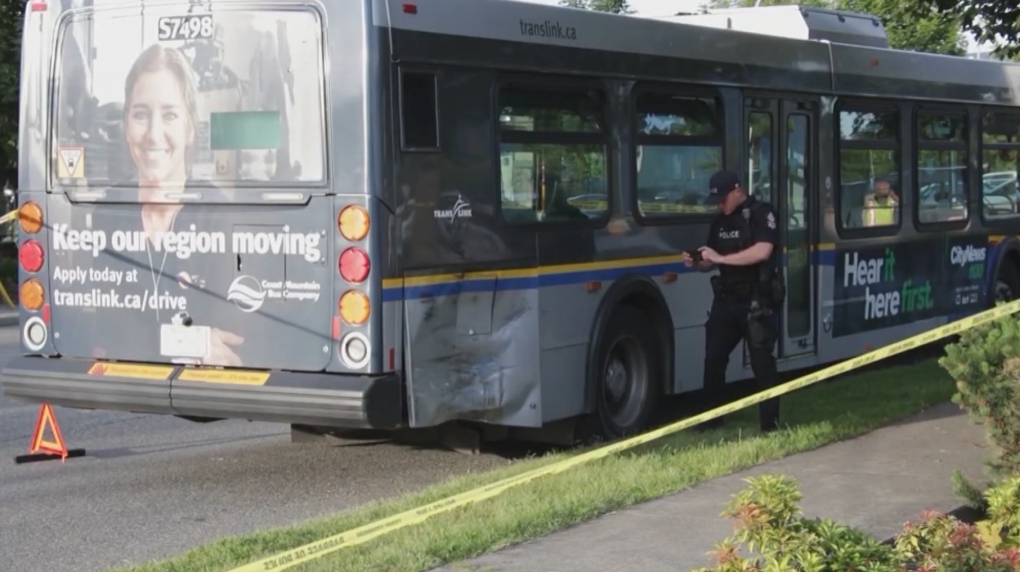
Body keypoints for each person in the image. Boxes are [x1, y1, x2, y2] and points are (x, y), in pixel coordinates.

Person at [681, 169, 784, 433]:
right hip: (726, 300)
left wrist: (721, 259)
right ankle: (711, 419)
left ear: (738, 190)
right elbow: (710, 262)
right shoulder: (720, 222)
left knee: (762, 363)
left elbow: (763, 251)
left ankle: (769, 424)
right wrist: (697, 263)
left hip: (756, 300)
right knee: (713, 359)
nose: (719, 204)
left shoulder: (762, 213)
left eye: (723, 198)